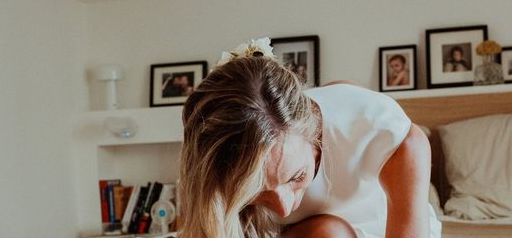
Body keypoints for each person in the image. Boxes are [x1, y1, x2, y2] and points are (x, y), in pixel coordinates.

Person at [179, 38, 441, 238]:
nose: (283, 209)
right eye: (258, 192)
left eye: (296, 177)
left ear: (313, 132)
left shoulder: (382, 133)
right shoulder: (215, 168)